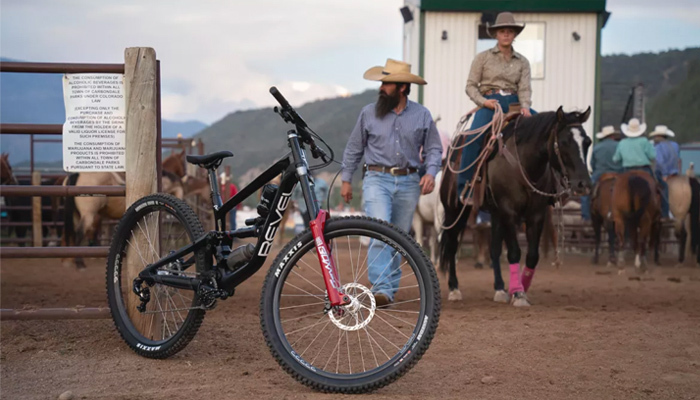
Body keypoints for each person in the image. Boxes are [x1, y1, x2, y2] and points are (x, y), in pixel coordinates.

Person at [341, 58, 442, 306]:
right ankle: (381, 288)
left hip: (409, 182)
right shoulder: (368, 113)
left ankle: (389, 290)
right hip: (376, 179)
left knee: (398, 238)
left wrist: (430, 173)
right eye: (382, 83)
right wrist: (345, 179)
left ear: (403, 88)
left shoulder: (422, 115)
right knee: (379, 232)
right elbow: (354, 148)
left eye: (387, 83)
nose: (381, 88)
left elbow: (434, 149)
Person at [458, 11, 534, 202]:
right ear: (496, 34)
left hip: (515, 103)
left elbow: (525, 88)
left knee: (544, 128)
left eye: (510, 31)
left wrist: (525, 106)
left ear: (515, 34)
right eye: (502, 31)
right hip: (491, 103)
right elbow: (470, 86)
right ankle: (465, 186)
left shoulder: (523, 62)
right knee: (474, 135)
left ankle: (546, 186)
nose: (506, 34)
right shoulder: (482, 58)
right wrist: (484, 102)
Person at [581, 126, 623, 220]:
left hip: (600, 173)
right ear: (612, 136)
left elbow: (592, 164)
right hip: (618, 173)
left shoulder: (597, 147)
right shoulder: (619, 145)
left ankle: (586, 217)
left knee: (585, 192)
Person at [649, 125, 680, 218]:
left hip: (664, 174)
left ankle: (663, 213)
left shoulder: (657, 147)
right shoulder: (675, 145)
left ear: (656, 136)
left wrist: (664, 174)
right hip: (675, 173)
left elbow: (659, 162)